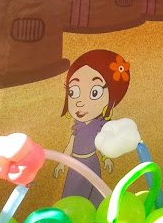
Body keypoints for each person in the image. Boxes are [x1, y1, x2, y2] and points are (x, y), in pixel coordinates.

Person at [54, 49, 130, 206]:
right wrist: (62, 163)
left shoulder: (97, 127)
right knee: (73, 193)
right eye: (73, 92)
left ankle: (98, 211)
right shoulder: (78, 128)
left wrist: (106, 158)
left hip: (92, 162)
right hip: (76, 163)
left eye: (95, 92)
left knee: (95, 193)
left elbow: (101, 145)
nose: (80, 102)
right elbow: (70, 145)